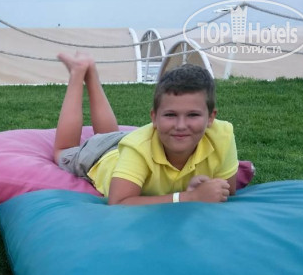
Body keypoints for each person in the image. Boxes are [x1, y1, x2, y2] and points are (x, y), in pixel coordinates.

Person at [53, 52, 238, 205]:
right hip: (101, 156)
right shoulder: (138, 147)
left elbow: (227, 189)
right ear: (154, 118)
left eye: (193, 115)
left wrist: (203, 185)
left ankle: (91, 71)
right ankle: (78, 73)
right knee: (63, 151)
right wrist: (189, 197)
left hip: (130, 143)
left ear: (211, 117)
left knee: (109, 135)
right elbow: (119, 202)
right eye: (170, 115)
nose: (181, 126)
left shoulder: (222, 135)